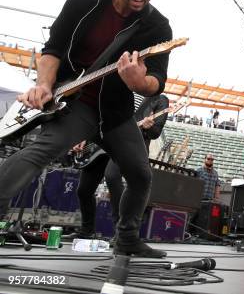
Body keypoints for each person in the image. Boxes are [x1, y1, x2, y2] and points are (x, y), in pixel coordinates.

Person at [0, 0, 172, 258]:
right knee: (41, 152)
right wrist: (43, 84)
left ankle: (127, 237)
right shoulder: (83, 1)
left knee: (140, 175)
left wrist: (137, 81)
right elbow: (52, 49)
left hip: (116, 112)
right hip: (75, 102)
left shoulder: (158, 27)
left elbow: (156, 82)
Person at [67, 93, 170, 241]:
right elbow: (100, 117)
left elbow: (155, 133)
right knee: (84, 190)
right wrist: (85, 137)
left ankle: (120, 234)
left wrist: (150, 126)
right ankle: (86, 230)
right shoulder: (120, 88)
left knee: (112, 177)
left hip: (126, 145)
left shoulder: (160, 99)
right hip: (100, 144)